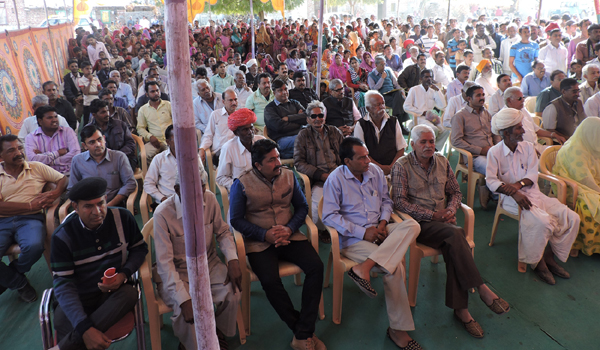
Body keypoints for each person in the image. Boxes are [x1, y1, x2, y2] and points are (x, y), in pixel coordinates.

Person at [391, 125, 510, 338]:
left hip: (443, 222)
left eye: (431, 142)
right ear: (412, 144)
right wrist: (433, 215)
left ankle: (462, 310)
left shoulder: (442, 161)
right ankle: (481, 289)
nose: (429, 146)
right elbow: (400, 203)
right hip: (418, 224)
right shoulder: (402, 166)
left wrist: (450, 210)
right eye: (423, 142)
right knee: (456, 235)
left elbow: (455, 191)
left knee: (453, 243)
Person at [322, 137, 422, 349]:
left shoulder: (375, 172)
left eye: (368, 155)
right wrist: (362, 232)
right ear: (347, 161)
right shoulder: (335, 179)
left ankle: (364, 267)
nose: (368, 161)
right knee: (394, 268)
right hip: (353, 239)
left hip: (380, 230)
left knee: (412, 226)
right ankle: (398, 331)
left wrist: (384, 224)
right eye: (362, 158)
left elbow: (386, 201)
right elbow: (329, 216)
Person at [229, 139, 326, 350]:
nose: (278, 162)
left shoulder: (289, 176)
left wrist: (289, 228)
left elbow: (302, 207)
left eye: (278, 157)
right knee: (270, 281)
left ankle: (303, 333)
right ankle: (301, 330)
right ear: (258, 165)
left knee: (316, 267)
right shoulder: (242, 184)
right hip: (260, 242)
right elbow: (235, 220)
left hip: (290, 235)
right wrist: (264, 234)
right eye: (271, 160)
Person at [51, 177, 148, 350]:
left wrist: (124, 274)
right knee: (61, 318)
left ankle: (64, 347)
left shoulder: (122, 218)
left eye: (101, 203)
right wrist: (86, 329)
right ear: (75, 207)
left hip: (111, 296)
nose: (97, 211)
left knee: (130, 294)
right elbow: (64, 285)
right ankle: (78, 339)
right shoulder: (62, 237)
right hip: (79, 298)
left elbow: (139, 249)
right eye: (88, 206)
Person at [486, 108, 579, 285]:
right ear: (506, 132)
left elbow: (532, 175)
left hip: (533, 194)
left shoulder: (528, 147)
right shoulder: (494, 152)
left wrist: (518, 186)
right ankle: (538, 263)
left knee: (571, 217)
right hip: (509, 200)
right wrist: (514, 193)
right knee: (543, 222)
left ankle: (550, 257)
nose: (523, 131)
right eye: (519, 128)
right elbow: (491, 181)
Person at [154, 166, 241, 350]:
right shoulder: (162, 214)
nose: (199, 193)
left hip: (209, 264)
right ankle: (191, 343)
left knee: (232, 292)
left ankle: (216, 331)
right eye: (192, 188)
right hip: (178, 272)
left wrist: (232, 259)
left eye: (201, 186)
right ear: (177, 190)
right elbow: (164, 264)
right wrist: (184, 299)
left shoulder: (209, 199)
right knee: (187, 309)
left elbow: (223, 231)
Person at [0, 134, 67, 302]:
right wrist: (30, 206)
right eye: (11, 150)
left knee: (35, 245)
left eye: (20, 148)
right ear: (1, 156)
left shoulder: (36, 167)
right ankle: (19, 282)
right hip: (3, 222)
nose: (18, 153)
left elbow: (62, 179)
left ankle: (12, 275)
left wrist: (54, 193)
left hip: (30, 220)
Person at [552, 117, 600, 256]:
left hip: (590, 183)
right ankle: (591, 247)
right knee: (593, 207)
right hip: (572, 188)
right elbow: (585, 180)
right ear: (589, 133)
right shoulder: (575, 150)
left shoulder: (591, 145)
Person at [294, 100, 344, 233]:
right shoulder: (303, 135)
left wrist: (341, 174)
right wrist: (321, 175)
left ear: (325, 117)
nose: (318, 119)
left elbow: (345, 156)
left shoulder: (335, 132)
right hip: (318, 180)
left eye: (320, 115)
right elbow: (299, 163)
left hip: (338, 176)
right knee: (317, 209)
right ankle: (322, 231)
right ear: (308, 119)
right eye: (314, 116)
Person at [451, 84, 501, 209]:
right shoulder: (460, 116)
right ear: (468, 98)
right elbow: (456, 141)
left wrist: (499, 146)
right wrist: (480, 150)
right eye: (478, 95)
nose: (482, 97)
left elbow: (494, 133)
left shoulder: (486, 113)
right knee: (492, 166)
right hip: (474, 156)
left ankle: (494, 192)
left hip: (492, 151)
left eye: (483, 94)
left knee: (510, 162)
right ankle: (498, 197)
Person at [69, 125, 136, 207]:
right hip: (89, 208)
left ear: (104, 139)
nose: (97, 144)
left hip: (114, 204)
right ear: (84, 146)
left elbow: (130, 183)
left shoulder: (119, 157)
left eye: (99, 139)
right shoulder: (77, 161)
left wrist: (108, 205)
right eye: (92, 142)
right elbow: (72, 188)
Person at [354, 91, 407, 175]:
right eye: (377, 105)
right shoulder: (361, 125)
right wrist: (380, 168)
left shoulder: (393, 121)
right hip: (370, 168)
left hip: (393, 167)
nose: (382, 107)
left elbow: (401, 148)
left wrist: (392, 167)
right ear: (368, 108)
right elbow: (361, 153)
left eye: (383, 103)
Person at [502, 87, 565, 154]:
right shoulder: (505, 116)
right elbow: (511, 142)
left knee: (564, 152)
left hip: (537, 147)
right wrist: (530, 151)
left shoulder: (523, 110)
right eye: (519, 99)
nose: (523, 100)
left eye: (523, 97)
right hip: (523, 152)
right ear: (509, 100)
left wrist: (554, 135)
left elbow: (536, 129)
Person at [216, 109, 265, 192]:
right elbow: (221, 178)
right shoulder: (228, 148)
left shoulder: (262, 141)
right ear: (236, 133)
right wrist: (241, 187)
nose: (250, 132)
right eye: (245, 130)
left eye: (251, 127)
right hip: (243, 193)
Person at [24, 106, 80, 175]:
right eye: (50, 118)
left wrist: (45, 157)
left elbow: (76, 154)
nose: (54, 120)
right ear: (40, 121)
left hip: (68, 173)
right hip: (44, 176)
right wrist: (57, 153)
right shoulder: (31, 137)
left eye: (55, 117)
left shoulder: (68, 132)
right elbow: (32, 159)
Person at [403, 69, 449, 151]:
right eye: (426, 77)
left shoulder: (433, 91)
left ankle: (435, 149)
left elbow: (443, 105)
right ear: (421, 79)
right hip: (419, 117)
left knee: (446, 128)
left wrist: (437, 91)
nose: (429, 79)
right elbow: (406, 106)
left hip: (432, 117)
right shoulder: (414, 89)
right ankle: (428, 149)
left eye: (430, 77)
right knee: (433, 129)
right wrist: (421, 112)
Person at [88, 99, 137, 170]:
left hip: (124, 158)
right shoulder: (89, 130)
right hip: (101, 161)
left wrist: (117, 156)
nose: (107, 114)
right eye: (103, 112)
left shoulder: (120, 124)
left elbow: (131, 144)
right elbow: (87, 150)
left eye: (107, 111)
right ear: (94, 115)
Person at [263, 80, 307, 159]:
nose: (284, 92)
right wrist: (298, 119)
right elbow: (279, 127)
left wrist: (289, 118)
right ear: (274, 93)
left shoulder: (295, 103)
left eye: (286, 89)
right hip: (281, 139)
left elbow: (307, 117)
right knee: (306, 140)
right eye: (280, 90)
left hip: (299, 134)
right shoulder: (270, 109)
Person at [199, 89, 239, 165]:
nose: (234, 103)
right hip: (220, 151)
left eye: (235, 99)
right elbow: (208, 135)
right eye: (230, 100)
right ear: (223, 102)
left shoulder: (240, 115)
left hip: (236, 150)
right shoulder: (215, 115)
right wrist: (202, 148)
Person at [368, 55, 409, 129]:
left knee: (399, 94)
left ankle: (396, 123)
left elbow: (396, 85)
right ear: (376, 65)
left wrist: (402, 91)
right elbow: (373, 90)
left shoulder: (388, 71)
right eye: (381, 65)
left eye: (384, 64)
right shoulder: (371, 75)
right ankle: (400, 126)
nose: (383, 66)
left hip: (394, 94)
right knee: (401, 100)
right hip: (383, 97)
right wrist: (382, 78)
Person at [137, 81, 172, 162]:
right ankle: (154, 174)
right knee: (143, 156)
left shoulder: (168, 105)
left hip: (170, 140)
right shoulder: (143, 110)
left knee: (174, 153)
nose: (156, 93)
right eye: (152, 91)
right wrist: (150, 137)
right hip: (155, 141)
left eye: (157, 90)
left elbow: (176, 122)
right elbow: (140, 128)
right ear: (147, 94)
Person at [77, 61, 102, 125]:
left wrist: (90, 92)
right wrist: (90, 82)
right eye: (87, 69)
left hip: (96, 101)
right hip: (87, 103)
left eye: (90, 69)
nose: (89, 70)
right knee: (86, 120)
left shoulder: (96, 79)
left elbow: (100, 91)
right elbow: (85, 92)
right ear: (82, 70)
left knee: (98, 118)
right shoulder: (81, 80)